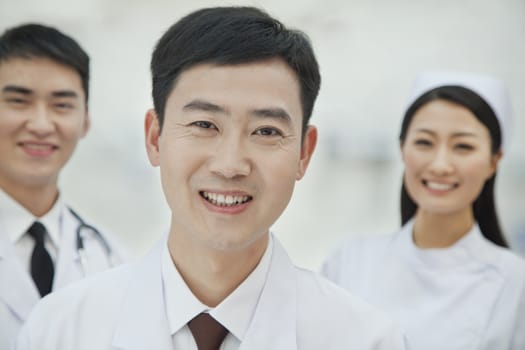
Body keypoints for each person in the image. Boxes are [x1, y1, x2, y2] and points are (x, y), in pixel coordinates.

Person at [14, 7, 406, 350]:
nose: (231, 164)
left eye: (266, 131)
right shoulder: (60, 329)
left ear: (304, 152)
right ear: (155, 137)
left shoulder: (366, 339)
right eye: (204, 124)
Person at [322, 71, 525, 349]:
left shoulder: (515, 284)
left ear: (494, 160)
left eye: (463, 146)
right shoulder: (349, 261)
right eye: (424, 143)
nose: (440, 164)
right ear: (403, 149)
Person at [0, 23, 125, 349]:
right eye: (18, 101)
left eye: (62, 105)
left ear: (85, 120)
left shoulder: (110, 259)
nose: (41, 124)